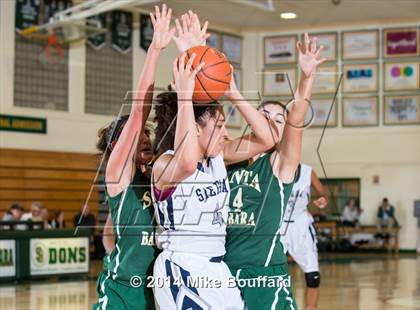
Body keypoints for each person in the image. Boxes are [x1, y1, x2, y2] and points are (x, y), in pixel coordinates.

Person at [151, 14, 278, 310]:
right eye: (219, 125)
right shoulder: (165, 164)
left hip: (216, 270)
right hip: (181, 269)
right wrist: (185, 96)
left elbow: (267, 139)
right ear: (196, 128)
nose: (226, 132)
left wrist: (232, 92)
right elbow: (187, 163)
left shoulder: (218, 157)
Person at [224, 33, 326, 310]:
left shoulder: (280, 165)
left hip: (265, 274)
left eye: (277, 119)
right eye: (264, 116)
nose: (270, 122)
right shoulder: (226, 159)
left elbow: (296, 118)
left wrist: (306, 78)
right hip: (222, 273)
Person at [93, 5, 174, 310]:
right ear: (116, 145)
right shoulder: (117, 172)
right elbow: (139, 110)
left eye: (144, 134)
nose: (144, 137)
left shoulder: (157, 172)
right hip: (124, 294)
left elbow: (109, 231)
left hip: (158, 286)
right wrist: (155, 49)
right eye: (133, 134)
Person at [279, 165, 328, 310]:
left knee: (313, 276)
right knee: (269, 274)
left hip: (300, 225)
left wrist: (322, 199)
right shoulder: (272, 166)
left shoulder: (308, 172)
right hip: (278, 224)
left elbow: (323, 194)